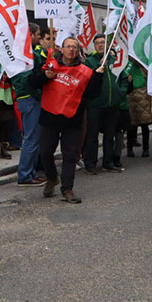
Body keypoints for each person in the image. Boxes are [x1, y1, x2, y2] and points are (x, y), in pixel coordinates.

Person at [32, 37, 105, 203]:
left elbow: (92, 94)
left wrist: (98, 77)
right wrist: (44, 76)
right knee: (45, 152)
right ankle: (52, 178)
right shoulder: (51, 65)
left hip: (72, 118)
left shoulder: (85, 71)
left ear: (77, 50)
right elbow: (33, 82)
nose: (71, 50)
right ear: (62, 49)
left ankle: (67, 188)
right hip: (49, 116)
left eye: (74, 47)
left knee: (70, 155)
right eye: (68, 47)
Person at [16, 23, 54, 185]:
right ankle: (25, 174)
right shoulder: (27, 54)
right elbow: (29, 78)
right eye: (38, 34)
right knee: (31, 138)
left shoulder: (25, 52)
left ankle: (30, 172)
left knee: (34, 137)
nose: (39, 36)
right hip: (29, 97)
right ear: (30, 34)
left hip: (27, 97)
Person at [83, 34, 124, 173]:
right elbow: (86, 82)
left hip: (112, 105)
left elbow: (123, 77)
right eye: (97, 43)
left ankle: (108, 162)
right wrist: (99, 69)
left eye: (102, 43)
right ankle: (90, 164)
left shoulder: (114, 61)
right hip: (95, 104)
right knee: (92, 136)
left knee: (109, 135)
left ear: (107, 45)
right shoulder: (89, 61)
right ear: (94, 46)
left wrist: (121, 92)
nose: (100, 45)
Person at [121, 59, 152, 157]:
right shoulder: (126, 65)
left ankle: (146, 149)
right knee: (131, 125)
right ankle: (130, 149)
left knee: (144, 123)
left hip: (142, 96)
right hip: (129, 96)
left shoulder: (142, 66)